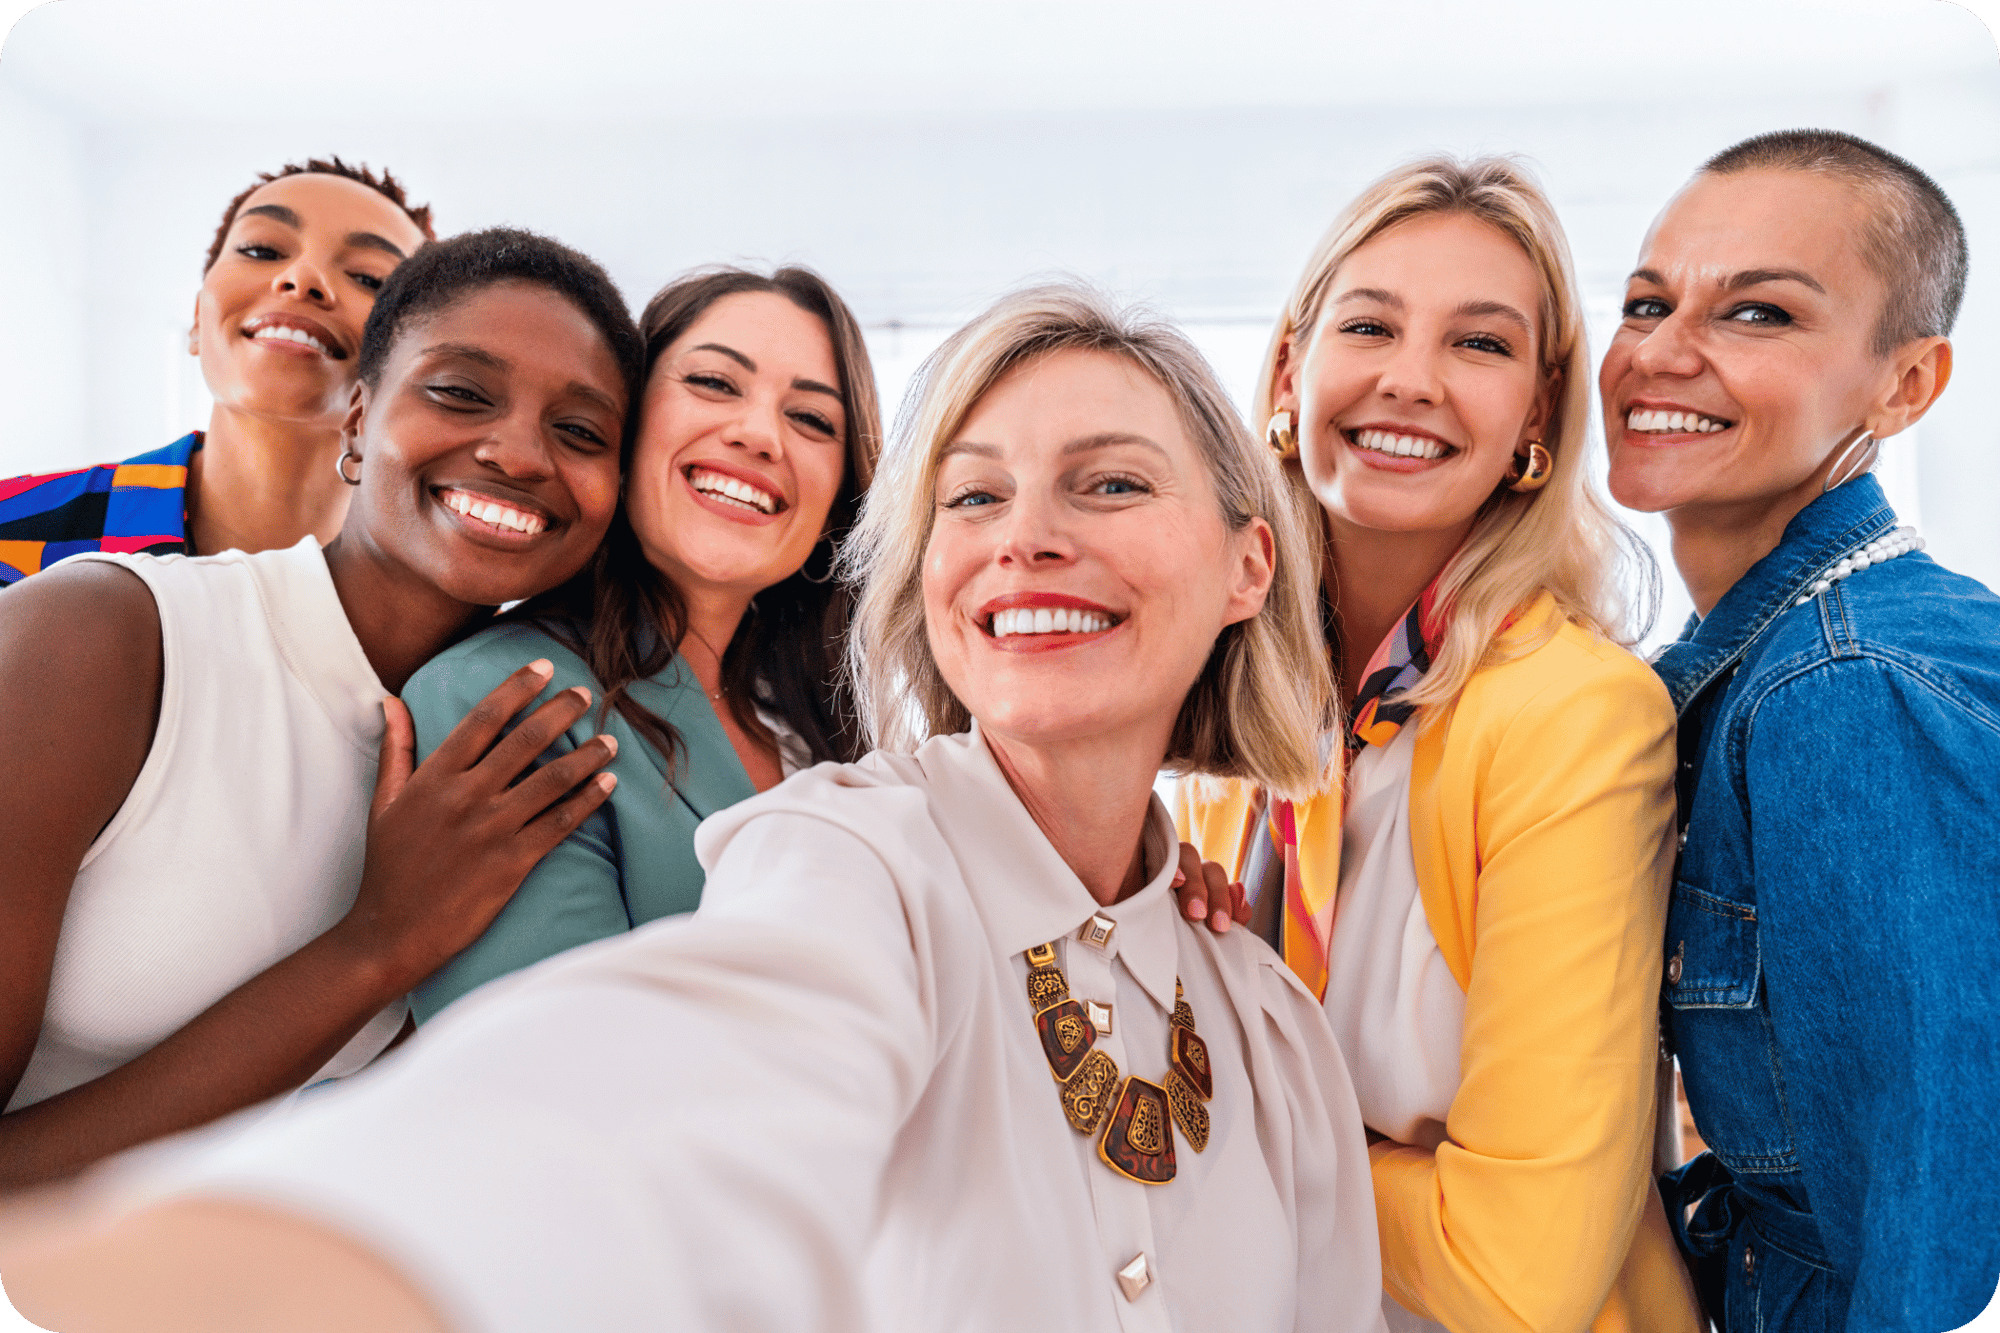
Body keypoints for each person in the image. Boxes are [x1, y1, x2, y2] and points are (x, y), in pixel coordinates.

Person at [0, 283, 1388, 1333]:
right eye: (976, 492)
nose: (1028, 532)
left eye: (813, 414)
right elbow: (625, 1096)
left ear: (1248, 563)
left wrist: (1149, 918)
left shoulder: (1251, 1009)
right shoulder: (809, 828)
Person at [1174, 156, 1701, 1332]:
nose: (1409, 382)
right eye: (1368, 325)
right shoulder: (1228, 720)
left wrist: (1223, 1143)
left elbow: (1517, 1277)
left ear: (1533, 414)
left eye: (1478, 343)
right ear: (1284, 371)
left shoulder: (1574, 717)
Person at [0, 228, 643, 1192]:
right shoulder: (102, 636)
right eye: (460, 392)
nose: (518, 451)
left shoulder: (525, 752)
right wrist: (378, 943)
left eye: (582, 432)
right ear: (354, 417)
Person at [1605, 129, 2000, 1332]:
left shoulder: (1842, 689)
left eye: (1758, 315)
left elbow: (1928, 1244)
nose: (1661, 354)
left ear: (1905, 383)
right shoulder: (1751, 661)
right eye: (1644, 301)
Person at [404, 266, 881, 1021]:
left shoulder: (833, 732)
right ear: (625, 422)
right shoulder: (499, 695)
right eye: (716, 383)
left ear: (837, 502)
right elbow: (556, 1075)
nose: (759, 434)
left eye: (813, 420)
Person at [0, 157, 434, 586]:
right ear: (196, 321)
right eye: (261, 250)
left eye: (369, 278)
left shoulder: (457, 619)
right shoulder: (10, 529)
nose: (302, 277)